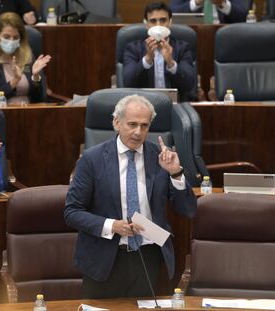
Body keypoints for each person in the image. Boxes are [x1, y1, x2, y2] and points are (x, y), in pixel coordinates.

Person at [64, 94, 197, 298]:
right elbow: (72, 212)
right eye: (132, 124)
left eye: (144, 126)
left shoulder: (161, 158)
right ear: (116, 123)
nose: (138, 132)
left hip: (150, 256)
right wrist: (112, 225)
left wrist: (176, 173)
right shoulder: (92, 159)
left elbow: (187, 209)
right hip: (105, 258)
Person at [123, 2, 196, 102]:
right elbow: (127, 83)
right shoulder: (133, 48)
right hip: (143, 106)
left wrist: (171, 63)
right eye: (153, 21)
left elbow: (189, 85)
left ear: (170, 22)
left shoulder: (182, 48)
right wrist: (147, 60)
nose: (158, 25)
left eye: (163, 20)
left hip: (175, 105)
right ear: (146, 24)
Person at [0, 12, 51, 105]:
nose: (11, 41)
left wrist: (35, 78)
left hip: (30, 113)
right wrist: (14, 81)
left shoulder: (27, 57)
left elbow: (39, 99)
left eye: (16, 37)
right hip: (1, 114)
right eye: (6, 37)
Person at [170, 0, 248, 23]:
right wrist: (195, 3)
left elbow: (244, 16)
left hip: (226, 37)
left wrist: (223, 3)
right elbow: (171, 13)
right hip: (192, 35)